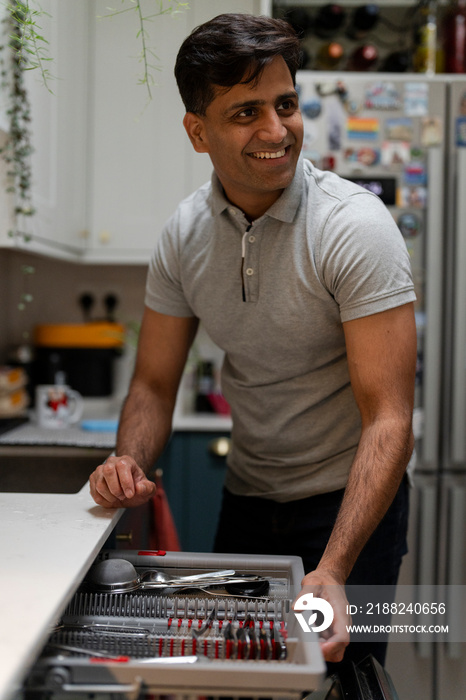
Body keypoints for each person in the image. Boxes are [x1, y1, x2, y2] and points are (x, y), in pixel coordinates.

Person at [89, 13, 417, 670]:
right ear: (197, 131)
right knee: (242, 676)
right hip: (247, 502)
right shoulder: (183, 237)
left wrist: (332, 569)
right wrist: (128, 463)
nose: (277, 131)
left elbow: (390, 417)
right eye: (246, 114)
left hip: (349, 512)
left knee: (340, 678)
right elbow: (154, 383)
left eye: (286, 105)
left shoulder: (353, 228)